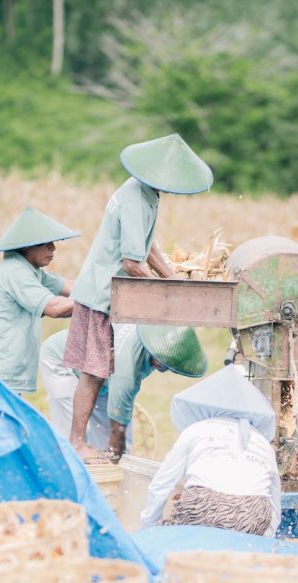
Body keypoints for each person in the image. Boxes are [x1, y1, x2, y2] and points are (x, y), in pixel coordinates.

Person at [65, 133, 212, 459]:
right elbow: (132, 262)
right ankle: (77, 442)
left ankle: (96, 443)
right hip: (103, 292)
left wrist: (173, 279)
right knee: (94, 372)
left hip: (111, 291)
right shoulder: (134, 197)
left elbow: (149, 247)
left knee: (102, 370)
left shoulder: (145, 192)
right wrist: (163, 293)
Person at [141, 365, 282, 536]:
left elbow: (162, 484)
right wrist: (266, 540)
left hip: (203, 508)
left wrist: (150, 526)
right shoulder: (262, 442)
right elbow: (274, 501)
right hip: (254, 514)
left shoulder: (196, 430)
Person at [41, 324, 207, 459]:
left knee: (105, 441)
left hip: (102, 373)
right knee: (75, 439)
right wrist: (116, 459)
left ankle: (105, 489)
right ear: (157, 361)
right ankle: (68, 489)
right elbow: (117, 428)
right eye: (165, 366)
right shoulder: (126, 374)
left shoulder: (156, 332)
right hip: (64, 361)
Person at [0, 207, 79, 394]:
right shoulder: (16, 272)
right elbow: (55, 308)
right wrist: (96, 302)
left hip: (1, 369)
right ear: (26, 245)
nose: (53, 248)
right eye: (45, 243)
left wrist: (108, 286)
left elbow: (69, 286)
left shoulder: (30, 270)